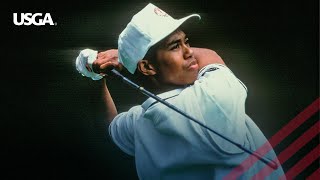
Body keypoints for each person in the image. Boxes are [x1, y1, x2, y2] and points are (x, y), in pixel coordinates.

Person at [75, 3, 285, 180]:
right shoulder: (211, 97)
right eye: (175, 46)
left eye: (186, 41)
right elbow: (210, 57)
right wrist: (122, 57)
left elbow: (109, 127)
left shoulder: (140, 123)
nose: (189, 51)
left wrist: (95, 76)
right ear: (147, 67)